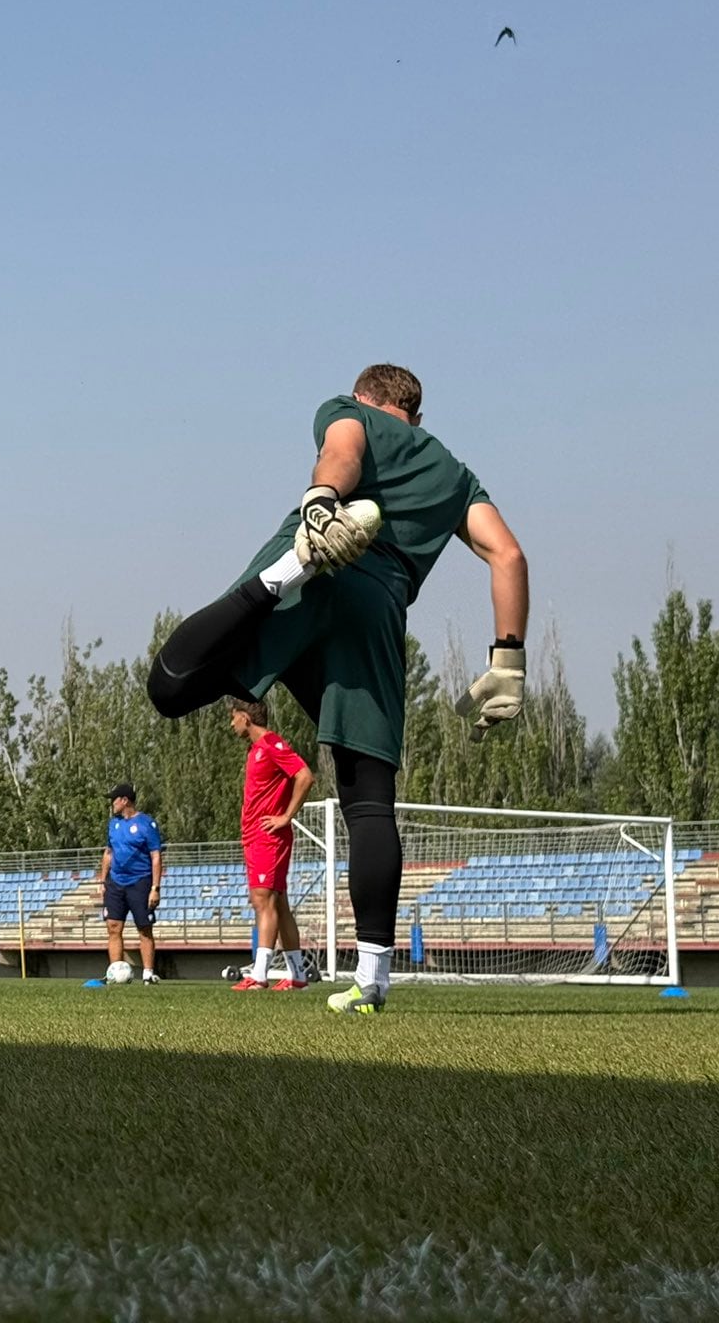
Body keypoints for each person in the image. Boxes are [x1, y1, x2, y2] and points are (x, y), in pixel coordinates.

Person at [146, 363, 528, 1015]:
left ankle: (283, 571)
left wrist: (322, 504)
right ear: (418, 416)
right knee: (369, 801)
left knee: (171, 687)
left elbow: (343, 450)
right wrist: (508, 659)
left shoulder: (350, 413)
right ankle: (372, 978)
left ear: (366, 397)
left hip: (316, 564)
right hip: (375, 615)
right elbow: (508, 555)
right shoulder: (455, 475)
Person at [227, 698, 314, 991]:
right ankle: (298, 976)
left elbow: (305, 776)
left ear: (245, 717)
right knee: (280, 904)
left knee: (262, 901)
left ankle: (260, 974)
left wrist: (286, 816)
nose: (232, 724)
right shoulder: (255, 750)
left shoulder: (272, 744)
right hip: (255, 836)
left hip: (269, 836)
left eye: (234, 717)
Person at [99, 786, 163, 984]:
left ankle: (148, 974)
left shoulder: (146, 824)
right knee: (113, 927)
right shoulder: (114, 824)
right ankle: (114, 973)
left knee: (144, 928)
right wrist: (102, 881)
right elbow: (108, 853)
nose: (112, 803)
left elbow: (156, 856)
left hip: (140, 882)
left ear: (125, 800)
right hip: (115, 882)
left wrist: (155, 888)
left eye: (114, 799)